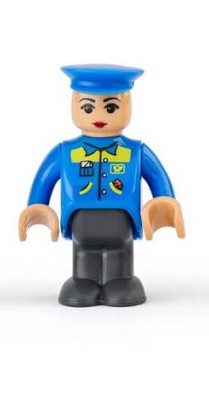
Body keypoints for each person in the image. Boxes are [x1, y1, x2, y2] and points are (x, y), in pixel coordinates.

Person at [19, 64, 185, 307]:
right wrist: (38, 206)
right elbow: (44, 180)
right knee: (84, 253)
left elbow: (158, 179)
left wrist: (164, 201)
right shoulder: (66, 151)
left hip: (121, 223)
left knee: (120, 253)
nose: (99, 116)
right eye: (88, 107)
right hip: (81, 223)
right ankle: (83, 280)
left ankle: (121, 280)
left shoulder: (135, 151)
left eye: (110, 108)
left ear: (126, 106)